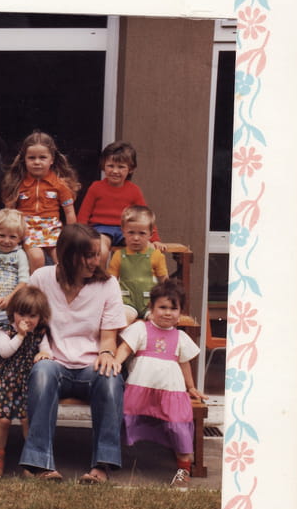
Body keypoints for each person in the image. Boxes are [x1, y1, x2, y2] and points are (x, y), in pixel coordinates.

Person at [19, 223, 126, 483]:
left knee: (111, 377)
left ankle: (102, 465)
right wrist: (41, 347)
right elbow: (28, 319)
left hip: (90, 367)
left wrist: (106, 352)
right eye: (88, 255)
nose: (95, 261)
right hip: (54, 362)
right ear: (68, 255)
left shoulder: (108, 284)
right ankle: (40, 465)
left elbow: (109, 336)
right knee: (42, 372)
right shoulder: (41, 278)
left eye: (97, 254)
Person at [113, 278, 207, 490]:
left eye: (173, 309)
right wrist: (116, 362)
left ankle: (183, 468)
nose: (167, 313)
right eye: (162, 307)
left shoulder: (180, 336)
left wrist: (191, 387)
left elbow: (184, 364)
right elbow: (125, 349)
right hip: (141, 389)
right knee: (127, 417)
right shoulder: (140, 329)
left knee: (176, 424)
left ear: (180, 312)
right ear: (151, 308)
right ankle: (111, 459)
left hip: (171, 391)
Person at [0, 285, 51, 479]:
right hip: (4, 381)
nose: (26, 320)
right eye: (21, 314)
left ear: (40, 316)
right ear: (12, 312)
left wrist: (43, 353)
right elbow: (5, 352)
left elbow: (46, 350)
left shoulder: (40, 332)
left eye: (32, 316)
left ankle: (31, 458)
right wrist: (21, 335)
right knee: (4, 420)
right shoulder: (6, 330)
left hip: (26, 382)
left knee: (26, 420)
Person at [1, 130, 80, 273]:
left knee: (62, 259)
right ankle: (34, 286)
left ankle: (60, 286)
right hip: (27, 228)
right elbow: (9, 212)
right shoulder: (17, 183)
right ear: (24, 159)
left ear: (52, 159)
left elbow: (69, 212)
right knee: (37, 257)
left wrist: (71, 236)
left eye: (42, 157)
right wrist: (11, 232)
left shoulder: (60, 185)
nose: (37, 162)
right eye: (32, 158)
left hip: (52, 228)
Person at [76, 140, 161, 264]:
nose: (115, 171)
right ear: (103, 165)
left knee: (148, 248)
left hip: (127, 230)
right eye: (111, 166)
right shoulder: (96, 187)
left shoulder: (134, 190)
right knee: (101, 250)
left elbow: (145, 217)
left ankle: (139, 276)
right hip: (101, 230)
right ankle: (99, 275)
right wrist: (80, 236)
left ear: (131, 169)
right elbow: (83, 214)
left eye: (121, 167)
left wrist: (155, 239)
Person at [107, 205, 168, 325]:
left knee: (158, 321)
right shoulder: (119, 256)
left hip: (150, 304)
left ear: (150, 234)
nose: (136, 238)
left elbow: (165, 282)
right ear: (123, 231)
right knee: (121, 321)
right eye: (131, 232)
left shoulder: (156, 255)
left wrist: (165, 304)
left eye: (142, 233)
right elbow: (111, 282)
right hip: (127, 302)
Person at [0, 207, 30, 330]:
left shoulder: (20, 254)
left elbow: (24, 281)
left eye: (12, 237)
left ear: (20, 238)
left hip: (11, 299)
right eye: (1, 235)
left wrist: (10, 298)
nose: (6, 241)